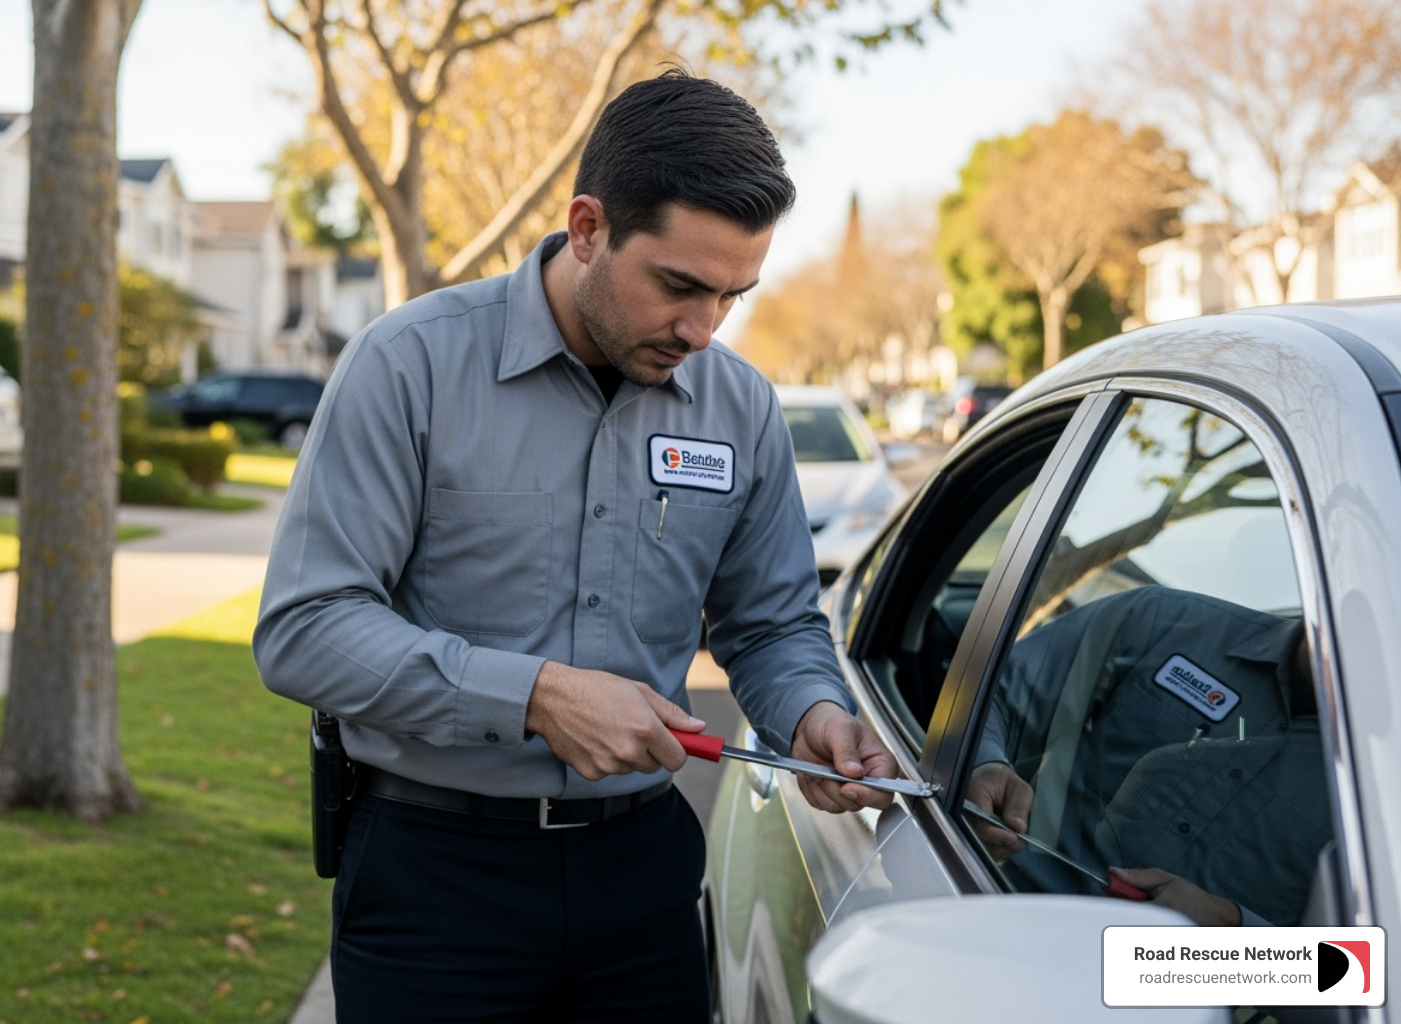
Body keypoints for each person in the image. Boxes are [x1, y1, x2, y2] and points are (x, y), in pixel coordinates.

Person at [253, 68, 898, 1023]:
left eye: (732, 296)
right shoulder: (409, 366)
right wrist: (537, 697)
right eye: (679, 285)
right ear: (588, 227)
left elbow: (768, 625)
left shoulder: (743, 406)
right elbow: (304, 629)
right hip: (433, 878)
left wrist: (811, 709)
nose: (701, 328)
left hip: (642, 881)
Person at [965, 585, 1330, 927]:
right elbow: (983, 693)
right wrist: (982, 765)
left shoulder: (1385, 800)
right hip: (992, 899)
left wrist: (1235, 936)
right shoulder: (1162, 621)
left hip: (1170, 988)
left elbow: (1363, 978)